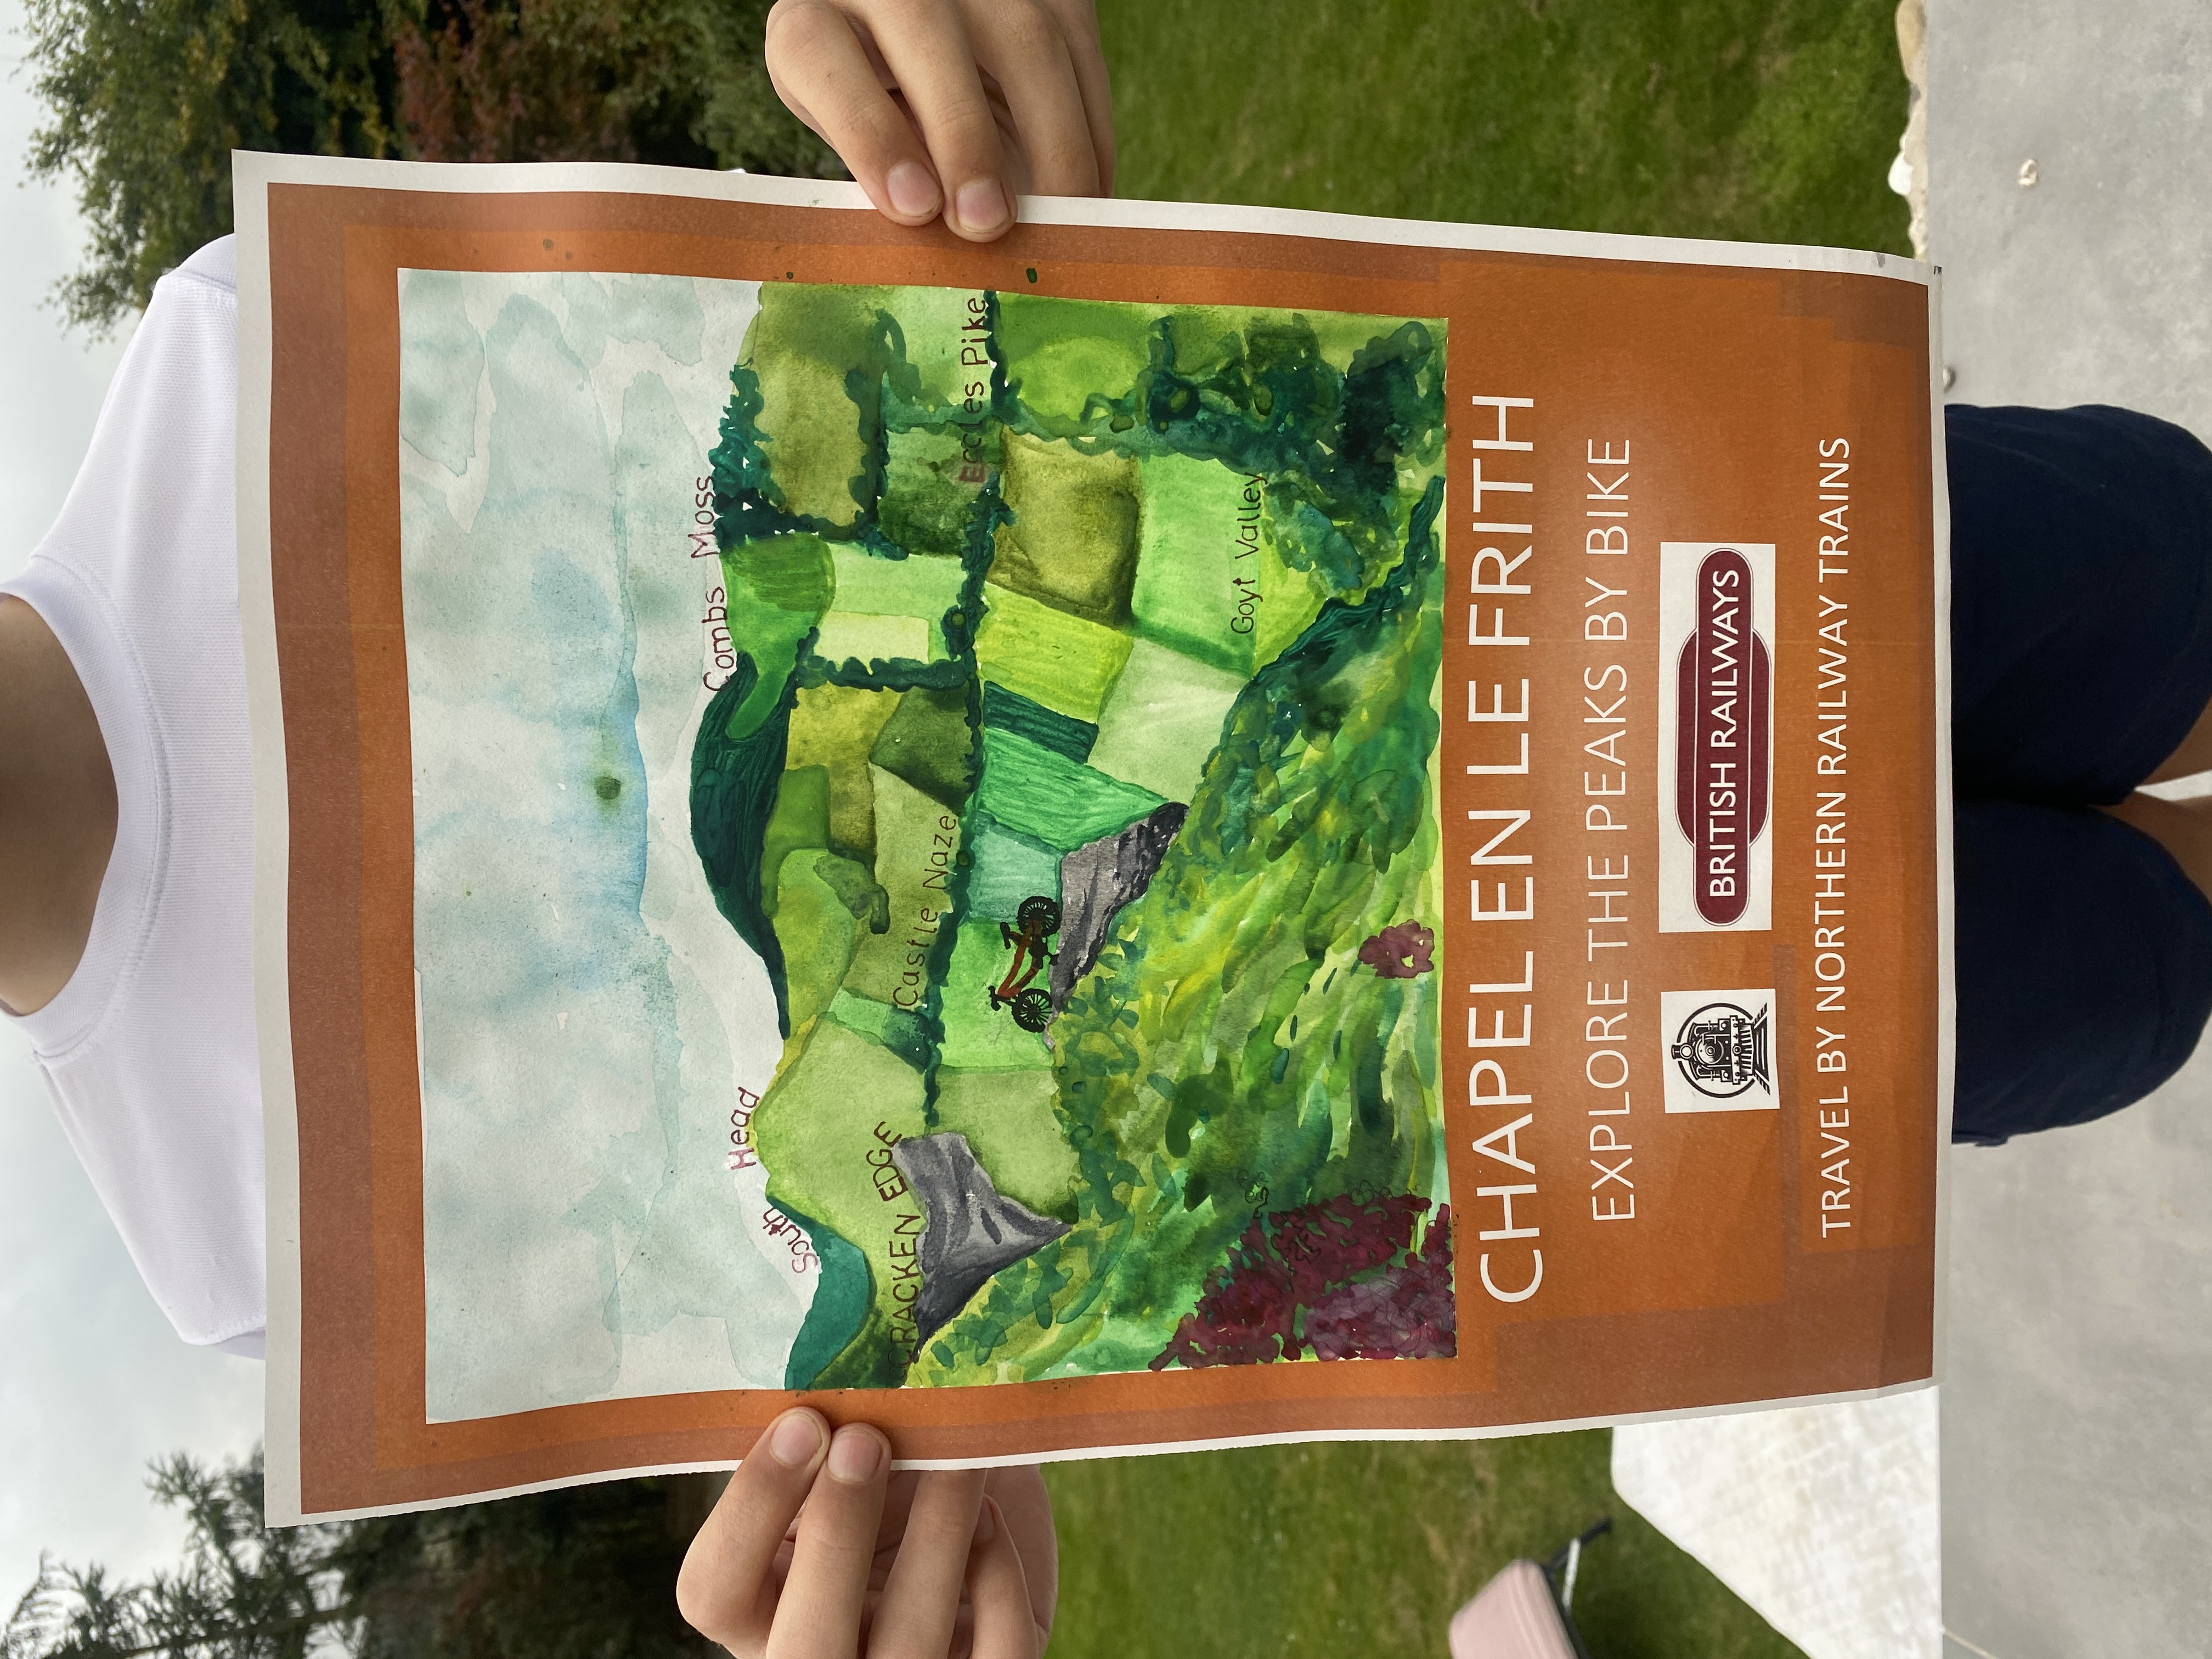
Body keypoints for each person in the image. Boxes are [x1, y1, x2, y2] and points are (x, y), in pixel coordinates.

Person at [4, 2, 2212, 1655]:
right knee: (2131, 978)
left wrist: (904, 85)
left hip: (1628, 548)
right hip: (1577, 1098)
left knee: (2156, 586)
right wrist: (911, 1511)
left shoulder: (243, 358)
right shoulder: (243, 1256)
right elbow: (887, 1324)